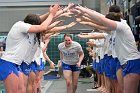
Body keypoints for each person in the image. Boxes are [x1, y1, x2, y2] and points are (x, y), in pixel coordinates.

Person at [72, 5, 140, 93]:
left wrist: (83, 10)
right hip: (125, 63)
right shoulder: (114, 30)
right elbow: (100, 22)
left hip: (131, 62)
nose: (105, 26)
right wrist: (85, 15)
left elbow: (101, 20)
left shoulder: (122, 27)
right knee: (122, 89)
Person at [0, 4, 59, 93]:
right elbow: (42, 26)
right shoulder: (19, 25)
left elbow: (39, 21)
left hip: (17, 64)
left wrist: (50, 13)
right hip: (8, 63)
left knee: (22, 90)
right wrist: (51, 14)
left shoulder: (27, 29)